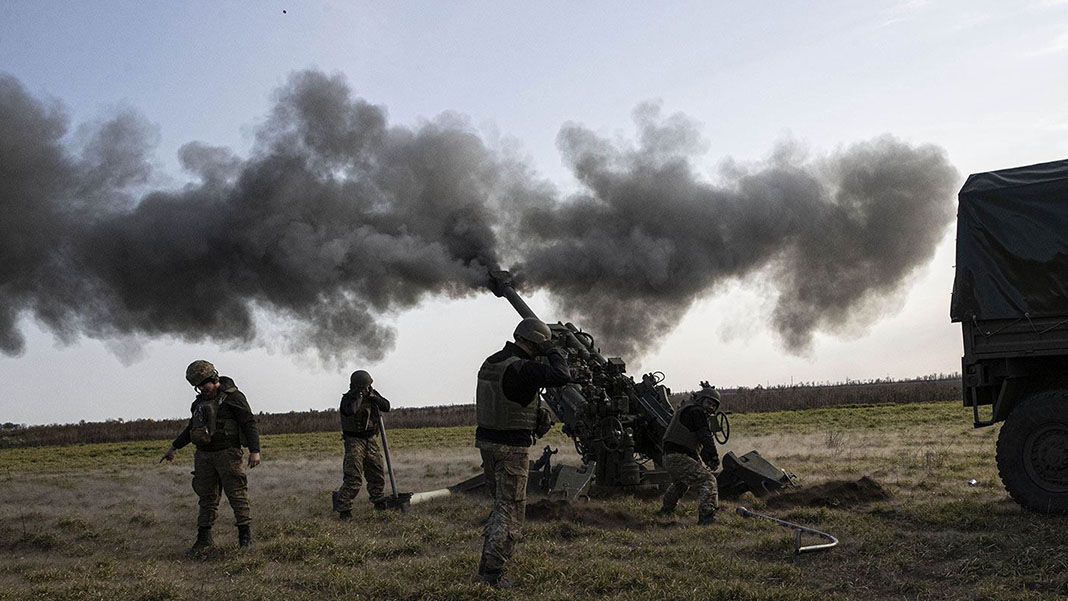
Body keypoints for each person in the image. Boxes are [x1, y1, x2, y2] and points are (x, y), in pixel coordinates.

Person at [475, 317, 570, 587]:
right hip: (511, 447)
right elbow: (563, 376)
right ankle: (493, 575)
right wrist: (553, 350)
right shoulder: (523, 367)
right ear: (536, 341)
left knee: (500, 506)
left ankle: (486, 566)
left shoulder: (492, 361)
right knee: (512, 509)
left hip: (488, 442)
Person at [161, 360, 261, 553]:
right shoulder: (199, 403)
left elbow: (249, 423)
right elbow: (192, 428)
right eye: (197, 386)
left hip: (228, 454)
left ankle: (245, 537)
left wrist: (254, 451)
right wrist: (174, 447)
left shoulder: (234, 397)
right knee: (206, 498)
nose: (201, 389)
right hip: (204, 456)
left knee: (237, 495)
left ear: (213, 378)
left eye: (203, 384)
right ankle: (204, 539)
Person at [332, 369, 391, 520]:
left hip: (370, 439)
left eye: (368, 386)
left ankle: (378, 499)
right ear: (357, 387)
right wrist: (358, 396)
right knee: (354, 476)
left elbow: (386, 406)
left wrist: (373, 397)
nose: (367, 389)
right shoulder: (348, 399)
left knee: (376, 470)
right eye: (364, 387)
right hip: (354, 440)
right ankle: (344, 507)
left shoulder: (372, 394)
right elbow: (350, 411)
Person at [658, 386, 721, 525]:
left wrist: (707, 458)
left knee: (681, 484)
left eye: (714, 405)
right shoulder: (697, 411)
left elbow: (696, 441)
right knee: (708, 480)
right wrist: (714, 457)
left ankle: (665, 511)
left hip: (670, 457)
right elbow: (705, 435)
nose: (711, 408)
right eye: (708, 403)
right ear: (700, 400)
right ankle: (707, 517)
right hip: (678, 456)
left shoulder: (688, 409)